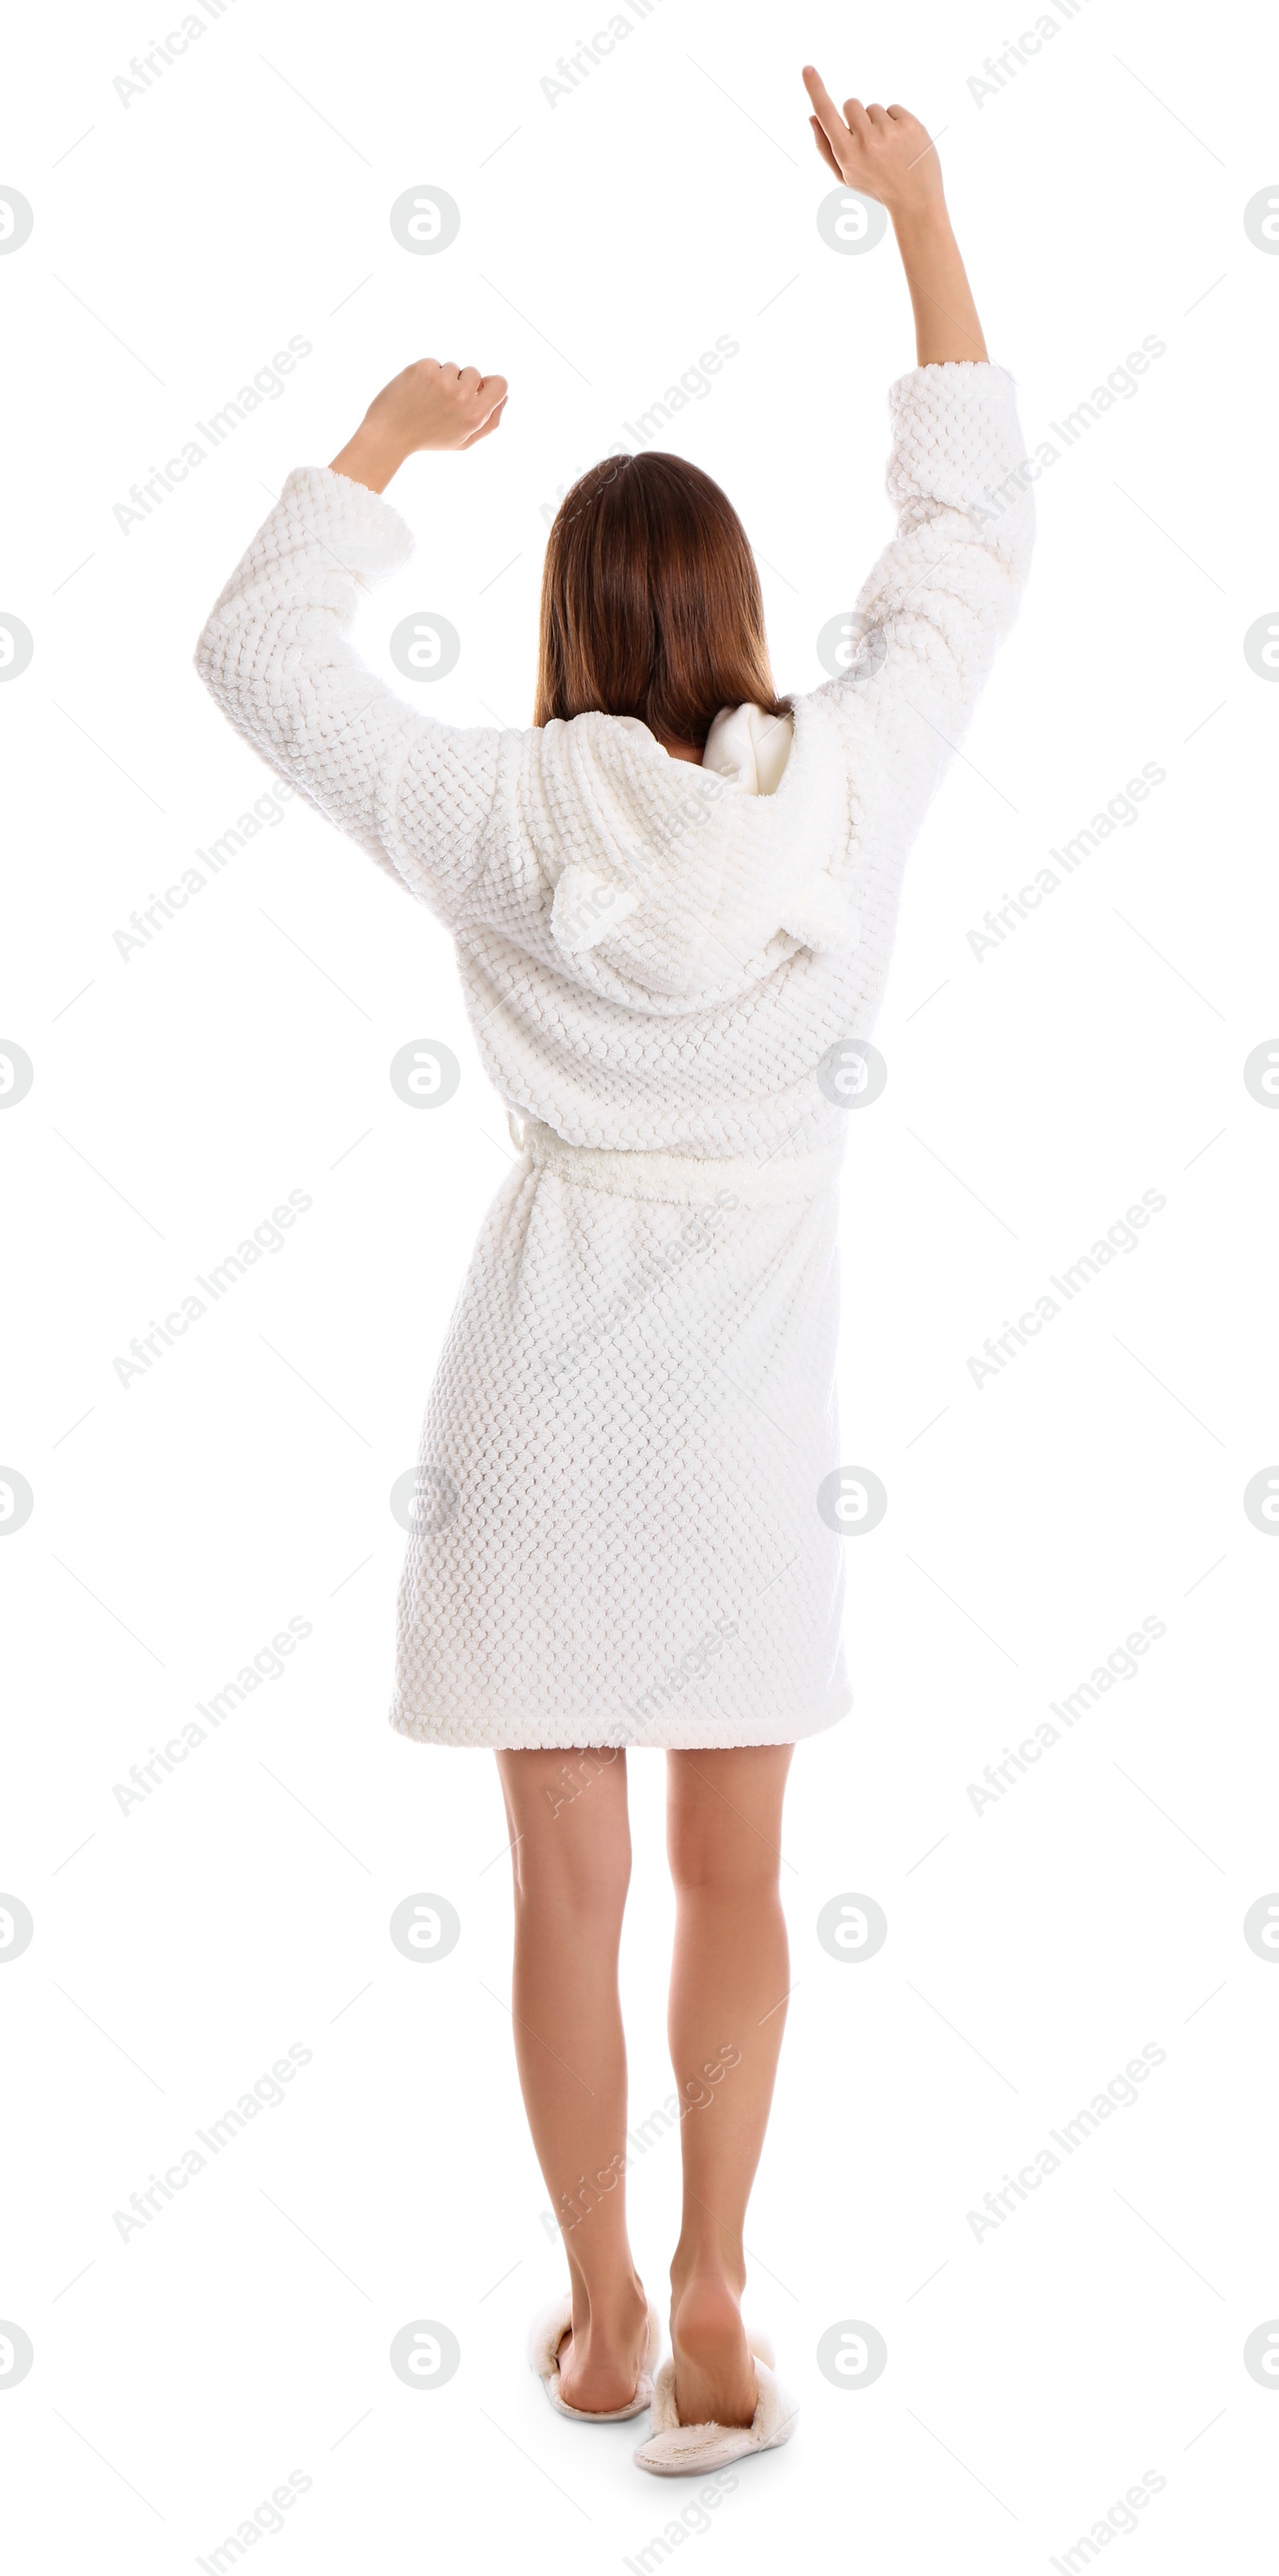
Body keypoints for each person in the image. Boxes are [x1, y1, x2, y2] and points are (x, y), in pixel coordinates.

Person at [195, 67, 1034, 2474]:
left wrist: (374, 441)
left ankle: (587, 2315)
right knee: (734, 1867)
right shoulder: (850, 789)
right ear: (747, 622)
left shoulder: (490, 811)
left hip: (543, 1391)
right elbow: (973, 536)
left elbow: (260, 663)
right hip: (756, 1403)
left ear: (564, 623)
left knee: (564, 1878)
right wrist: (927, 212)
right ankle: (719, 2300)